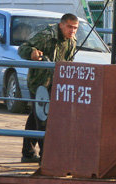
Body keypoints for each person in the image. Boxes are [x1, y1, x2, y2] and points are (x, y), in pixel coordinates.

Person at [16, 13, 79, 162]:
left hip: (56, 84)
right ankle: (47, 156)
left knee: (36, 117)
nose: (72, 31)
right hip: (39, 83)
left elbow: (69, 62)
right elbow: (23, 48)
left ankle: (28, 152)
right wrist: (32, 53)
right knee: (43, 119)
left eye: (75, 28)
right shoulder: (46, 35)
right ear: (61, 25)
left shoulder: (72, 42)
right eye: (69, 27)